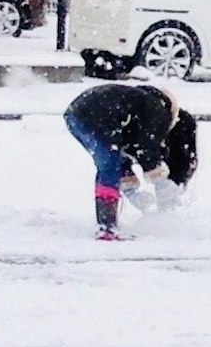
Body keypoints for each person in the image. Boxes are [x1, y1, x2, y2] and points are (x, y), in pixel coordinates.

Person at [61, 78, 200, 241]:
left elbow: (128, 149)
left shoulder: (139, 106)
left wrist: (131, 189)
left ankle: (108, 224)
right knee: (109, 165)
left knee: (111, 160)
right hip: (89, 117)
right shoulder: (157, 111)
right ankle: (107, 228)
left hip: (79, 113)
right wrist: (161, 181)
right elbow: (144, 148)